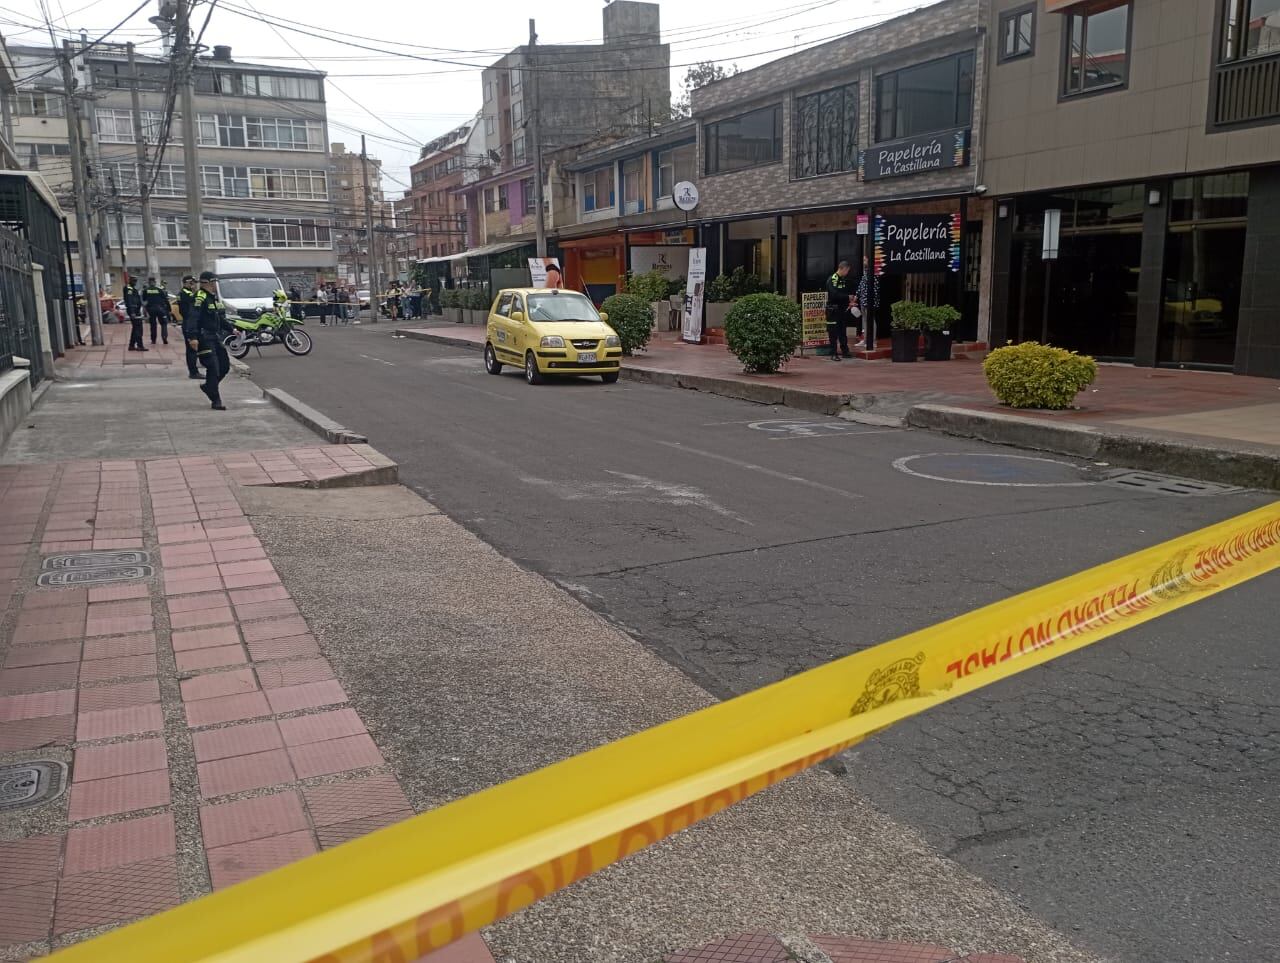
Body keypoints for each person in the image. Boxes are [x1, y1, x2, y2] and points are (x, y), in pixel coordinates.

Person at [186, 270, 229, 410]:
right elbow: (192, 317)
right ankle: (215, 399)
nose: (217, 284)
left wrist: (232, 329)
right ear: (209, 282)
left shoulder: (211, 298)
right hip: (203, 338)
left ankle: (209, 387)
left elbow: (217, 318)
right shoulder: (200, 297)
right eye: (215, 282)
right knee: (213, 367)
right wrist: (192, 337)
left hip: (214, 336)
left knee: (224, 366)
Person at [824, 260, 857, 361]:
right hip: (833, 309)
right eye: (847, 271)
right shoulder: (832, 279)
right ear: (843, 268)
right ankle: (833, 353)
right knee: (833, 332)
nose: (847, 273)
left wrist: (850, 302)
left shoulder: (843, 279)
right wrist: (847, 297)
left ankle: (845, 351)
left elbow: (843, 293)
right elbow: (834, 295)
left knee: (842, 330)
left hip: (842, 309)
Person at [177, 275, 201, 379]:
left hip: (188, 322)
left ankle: (194, 370)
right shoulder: (186, 294)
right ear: (188, 283)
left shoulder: (184, 293)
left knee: (192, 349)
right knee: (192, 349)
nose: (195, 285)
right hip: (189, 322)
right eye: (193, 283)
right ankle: (193, 372)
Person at [142, 276, 170, 345]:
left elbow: (144, 300)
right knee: (163, 323)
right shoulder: (159, 290)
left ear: (149, 282)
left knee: (153, 325)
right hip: (160, 309)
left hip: (151, 310)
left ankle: (153, 340)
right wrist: (169, 309)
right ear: (154, 282)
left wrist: (146, 310)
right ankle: (164, 338)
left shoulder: (146, 290)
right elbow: (165, 299)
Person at [122, 275, 146, 351]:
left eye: (136, 281)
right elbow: (129, 301)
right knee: (138, 329)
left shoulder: (133, 289)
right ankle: (140, 345)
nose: (135, 282)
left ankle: (131, 345)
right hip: (133, 310)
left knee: (135, 328)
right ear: (130, 280)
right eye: (133, 281)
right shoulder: (129, 289)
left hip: (136, 310)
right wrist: (132, 312)